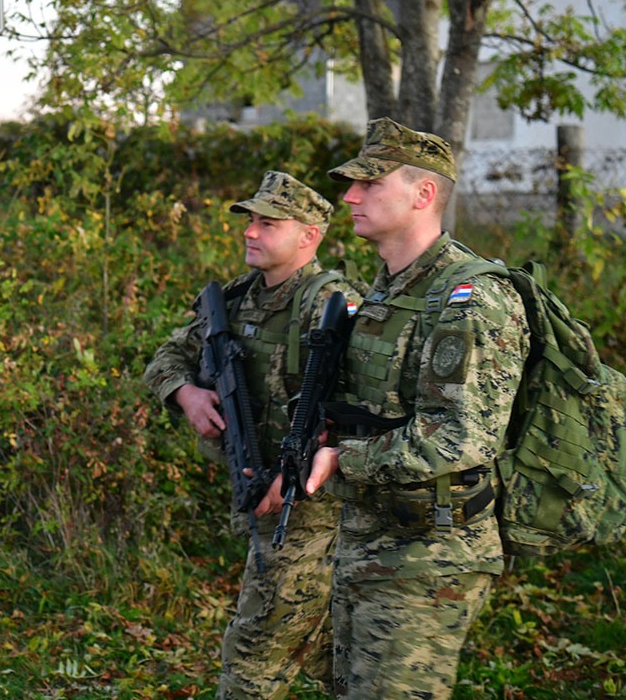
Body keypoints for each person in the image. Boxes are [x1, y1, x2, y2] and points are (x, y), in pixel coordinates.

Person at [305, 118, 530, 698]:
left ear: (423, 193)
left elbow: (460, 437)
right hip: (368, 540)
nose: (350, 197)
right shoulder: (389, 288)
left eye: (370, 183)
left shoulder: (470, 298)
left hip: (430, 557)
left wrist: (344, 460)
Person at [143, 171, 363, 700]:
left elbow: (354, 406)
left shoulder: (330, 303)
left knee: (254, 650)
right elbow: (168, 356)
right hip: (259, 491)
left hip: (311, 508)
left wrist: (296, 473)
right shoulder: (238, 298)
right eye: (251, 221)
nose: (250, 231)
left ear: (309, 236)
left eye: (268, 223)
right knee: (329, 649)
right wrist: (187, 394)